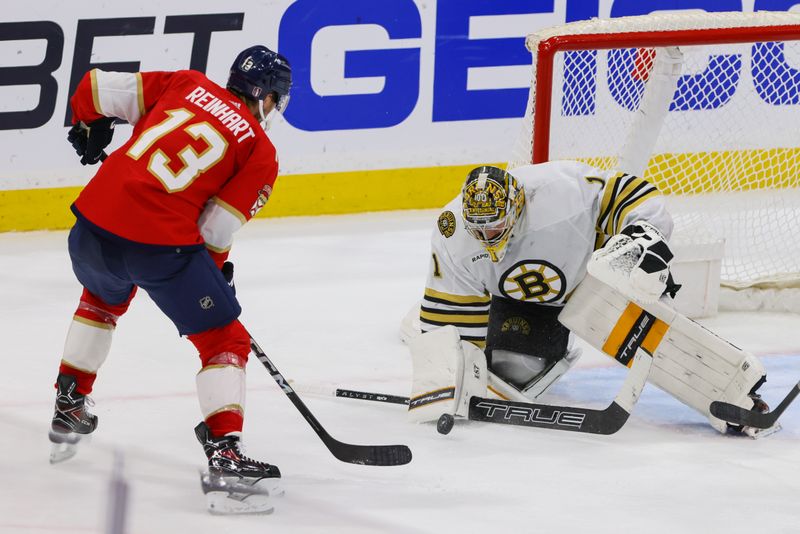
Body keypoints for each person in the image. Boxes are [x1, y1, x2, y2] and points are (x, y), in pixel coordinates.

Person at [49, 45, 291, 512]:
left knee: (100, 298)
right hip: (157, 246)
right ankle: (225, 455)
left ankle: (69, 400)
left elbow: (92, 88)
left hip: (90, 226)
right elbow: (213, 231)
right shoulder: (260, 151)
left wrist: (88, 124)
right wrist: (215, 276)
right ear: (266, 98)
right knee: (225, 340)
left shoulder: (186, 84)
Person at [408, 162, 768, 434]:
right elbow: (450, 310)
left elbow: (634, 195)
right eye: (480, 229)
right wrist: (446, 379)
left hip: (597, 281)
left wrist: (643, 238)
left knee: (648, 341)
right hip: (523, 305)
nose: (488, 235)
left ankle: (733, 399)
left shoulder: (563, 193)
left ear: (517, 207)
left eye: (496, 225)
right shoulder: (452, 231)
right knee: (507, 378)